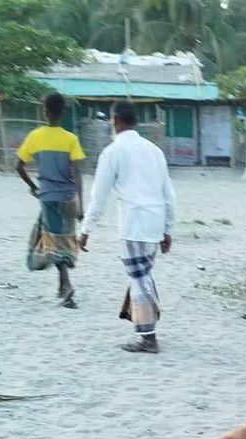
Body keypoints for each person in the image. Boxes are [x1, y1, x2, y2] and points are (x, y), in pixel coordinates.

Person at [81, 100, 175, 354]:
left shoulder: (113, 152)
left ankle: (148, 337)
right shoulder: (154, 150)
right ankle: (145, 322)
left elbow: (98, 197)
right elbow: (169, 194)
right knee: (143, 274)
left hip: (134, 223)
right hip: (154, 222)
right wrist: (167, 228)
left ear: (114, 121)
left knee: (139, 277)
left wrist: (86, 229)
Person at [15, 92, 86, 309]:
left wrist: (34, 187)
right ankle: (62, 287)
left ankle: (67, 287)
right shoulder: (70, 139)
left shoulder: (35, 137)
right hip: (68, 197)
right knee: (64, 239)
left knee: (54, 241)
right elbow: (78, 174)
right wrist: (81, 202)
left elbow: (19, 166)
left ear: (44, 112)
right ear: (63, 112)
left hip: (47, 196)